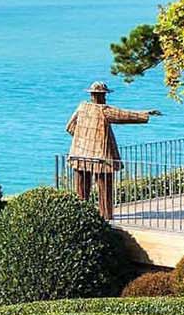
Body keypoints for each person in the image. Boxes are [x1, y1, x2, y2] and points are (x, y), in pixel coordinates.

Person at [65, 81, 158, 215]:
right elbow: (125, 115)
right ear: (101, 95)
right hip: (101, 157)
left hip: (79, 155)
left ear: (91, 95)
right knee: (104, 188)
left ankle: (81, 215)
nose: (104, 98)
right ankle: (106, 215)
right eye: (103, 95)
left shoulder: (82, 107)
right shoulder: (104, 110)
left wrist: (83, 138)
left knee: (81, 190)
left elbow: (69, 127)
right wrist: (146, 114)